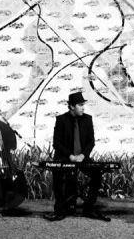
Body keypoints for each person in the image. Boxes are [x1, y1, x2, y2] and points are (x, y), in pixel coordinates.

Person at [48, 92, 109, 222]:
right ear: (71, 106)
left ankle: (88, 208)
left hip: (82, 157)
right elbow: (56, 143)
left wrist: (82, 155)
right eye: (80, 105)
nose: (83, 108)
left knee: (97, 174)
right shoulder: (61, 120)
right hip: (65, 157)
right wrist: (70, 156)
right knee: (58, 173)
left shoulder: (87, 119)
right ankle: (60, 210)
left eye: (83, 105)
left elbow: (91, 142)